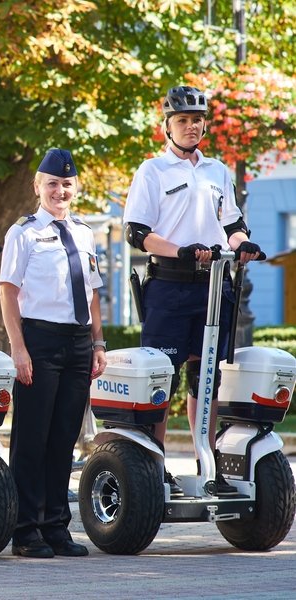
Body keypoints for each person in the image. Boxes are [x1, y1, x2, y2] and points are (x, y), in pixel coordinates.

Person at [123, 85, 261, 496]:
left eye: (197, 120)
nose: (190, 126)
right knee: (162, 377)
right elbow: (137, 232)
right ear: (167, 126)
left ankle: (207, 462)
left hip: (215, 286)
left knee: (207, 377)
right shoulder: (152, 171)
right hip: (169, 285)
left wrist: (243, 245)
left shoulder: (217, 171)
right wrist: (179, 250)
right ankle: (155, 465)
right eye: (182, 120)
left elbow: (232, 225)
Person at [0, 148, 106, 559]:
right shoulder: (23, 233)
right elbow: (8, 292)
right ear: (37, 187)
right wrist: (18, 348)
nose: (59, 191)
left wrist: (98, 342)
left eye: (66, 184)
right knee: (32, 439)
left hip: (78, 342)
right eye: (52, 184)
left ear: (75, 187)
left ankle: (57, 528)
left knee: (64, 439)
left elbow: (92, 293)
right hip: (39, 341)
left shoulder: (84, 232)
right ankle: (26, 531)